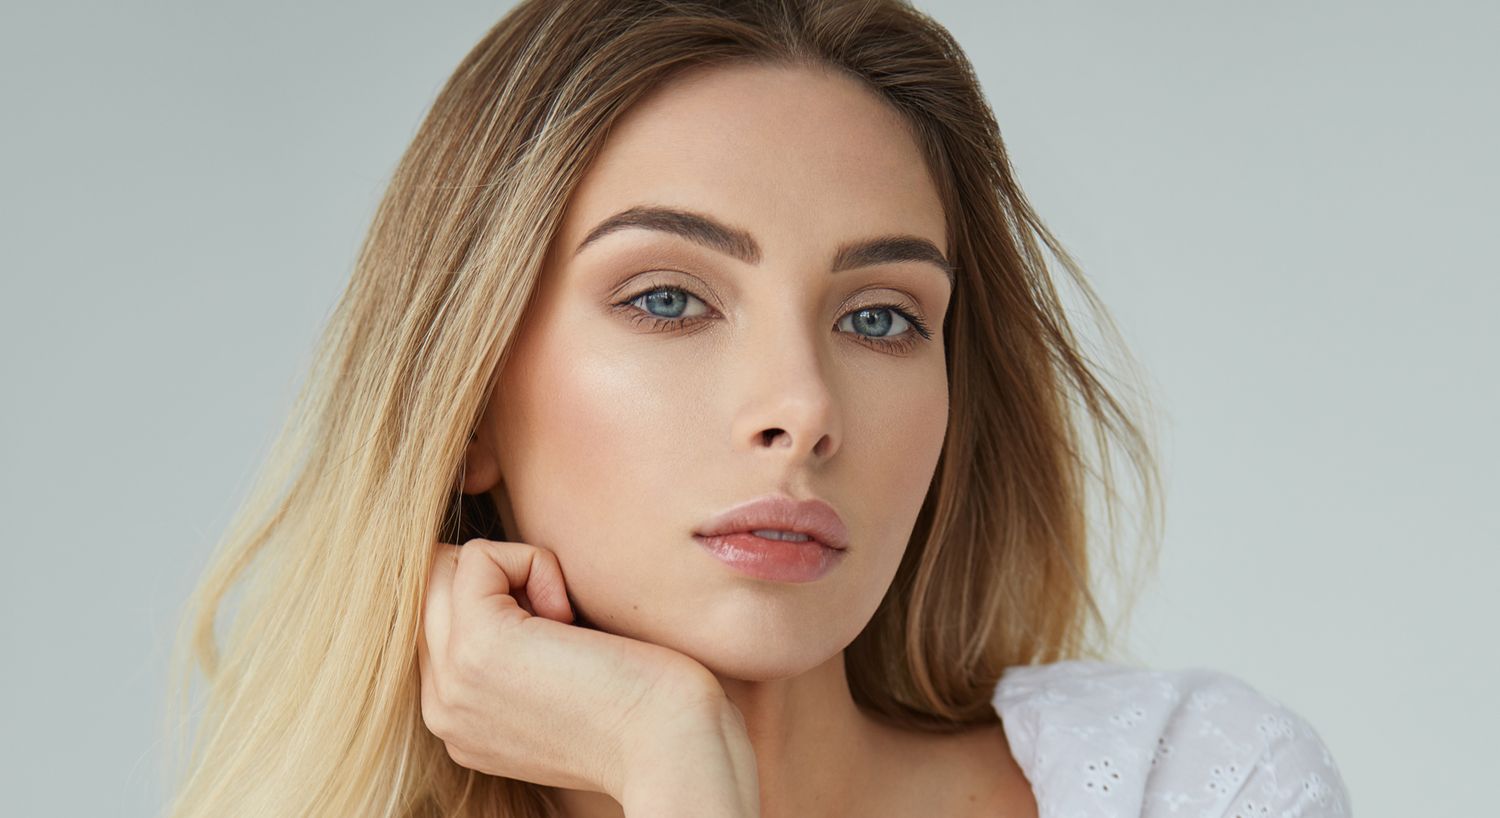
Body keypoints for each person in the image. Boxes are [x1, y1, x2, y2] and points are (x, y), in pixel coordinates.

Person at [161, 1, 1351, 817]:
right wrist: (666, 749)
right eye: (670, 297)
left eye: (881, 316)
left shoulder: (1187, 784)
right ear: (466, 397)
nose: (802, 407)